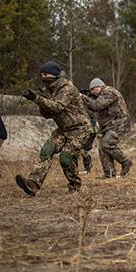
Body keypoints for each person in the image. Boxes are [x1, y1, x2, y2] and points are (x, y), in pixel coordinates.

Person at [15, 61, 92, 196]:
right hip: (64, 128)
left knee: (66, 157)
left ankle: (75, 185)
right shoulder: (48, 90)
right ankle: (33, 184)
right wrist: (39, 100)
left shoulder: (66, 87)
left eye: (46, 74)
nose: (43, 76)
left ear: (55, 75)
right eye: (42, 74)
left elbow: (58, 106)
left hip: (80, 128)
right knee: (47, 150)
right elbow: (47, 115)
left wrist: (37, 99)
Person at [82, 78, 133, 178]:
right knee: (102, 147)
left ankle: (126, 161)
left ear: (99, 86)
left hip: (119, 123)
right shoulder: (101, 95)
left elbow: (97, 105)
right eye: (91, 90)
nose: (92, 92)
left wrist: (82, 97)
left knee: (106, 143)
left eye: (93, 89)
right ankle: (109, 173)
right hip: (110, 125)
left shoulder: (108, 92)